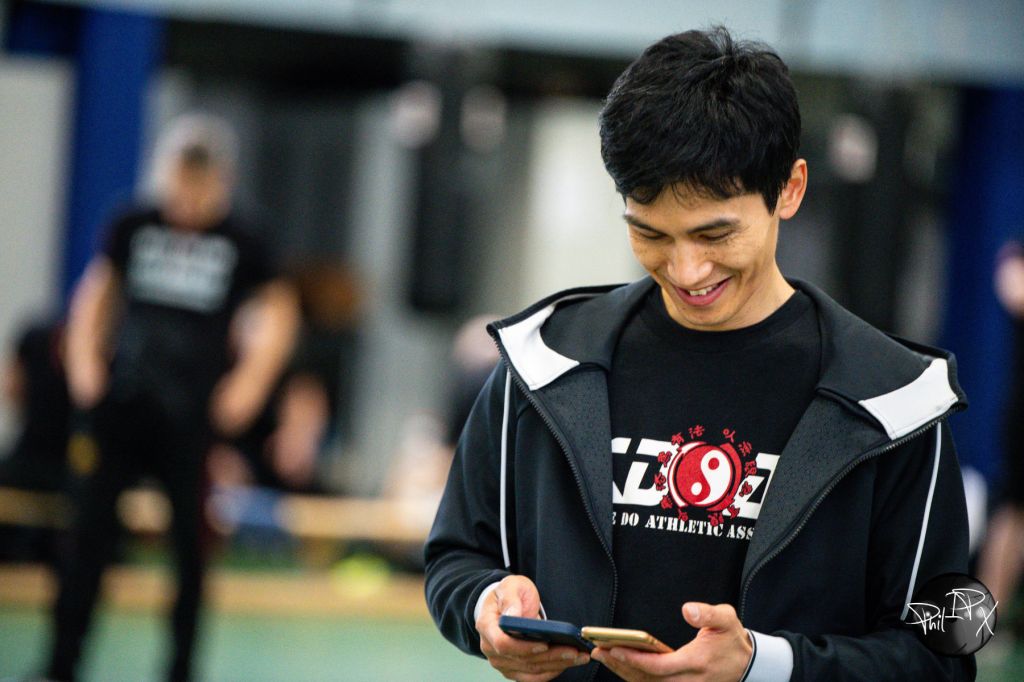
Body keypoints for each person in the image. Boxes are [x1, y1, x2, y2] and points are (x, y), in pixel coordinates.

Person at [424, 27, 974, 681]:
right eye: (650, 234)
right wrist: (488, 605)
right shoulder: (545, 362)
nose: (686, 270)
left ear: (790, 189)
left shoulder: (895, 398)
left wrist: (763, 666)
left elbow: (947, 650)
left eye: (715, 234)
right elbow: (457, 557)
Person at [48, 114, 299, 682]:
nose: (186, 204)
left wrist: (250, 383)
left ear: (220, 184)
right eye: (179, 188)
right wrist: (86, 366)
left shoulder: (243, 238)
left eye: (198, 191)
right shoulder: (134, 223)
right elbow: (97, 293)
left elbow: (280, 312)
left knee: (190, 549)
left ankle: (180, 668)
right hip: (123, 405)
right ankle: (61, 664)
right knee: (86, 538)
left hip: (191, 415)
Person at [978, 242, 1024, 630]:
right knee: (1012, 508)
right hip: (1021, 412)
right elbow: (1013, 289)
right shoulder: (1015, 255)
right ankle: (985, 618)